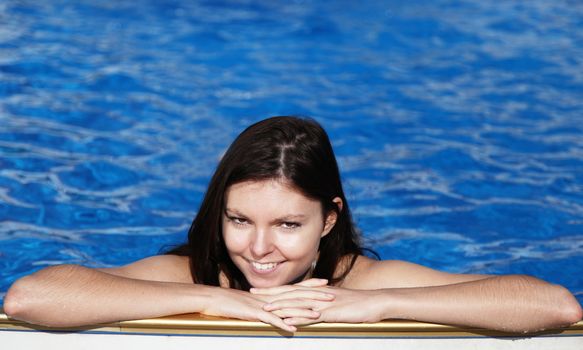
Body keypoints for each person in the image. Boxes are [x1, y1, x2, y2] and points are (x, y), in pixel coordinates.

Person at [4, 116, 582, 333]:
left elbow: (555, 307)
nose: (258, 248)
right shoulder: (195, 276)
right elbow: (31, 297)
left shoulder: (363, 282)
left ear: (329, 218)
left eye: (286, 224)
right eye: (238, 219)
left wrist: (378, 306)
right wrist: (217, 302)